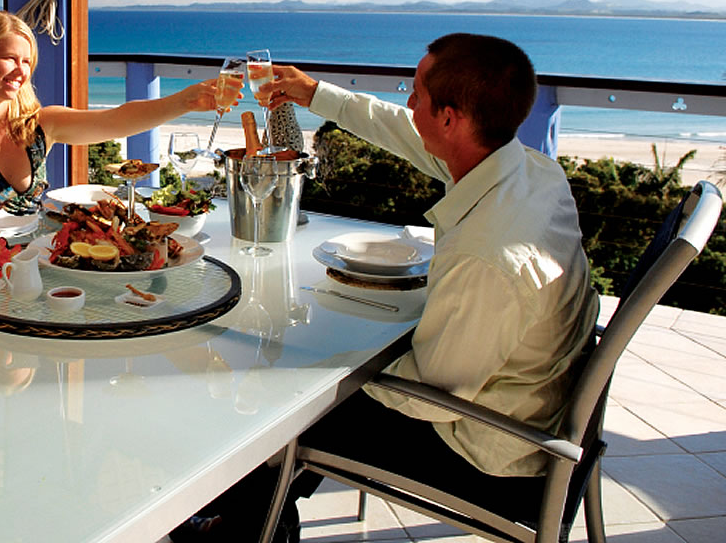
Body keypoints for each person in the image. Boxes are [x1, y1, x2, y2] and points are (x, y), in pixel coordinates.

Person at [173, 33, 599, 541]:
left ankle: (243, 529)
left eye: (417, 94)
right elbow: (398, 129)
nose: (409, 103)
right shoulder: (528, 170)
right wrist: (316, 94)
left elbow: (426, 397)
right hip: (526, 400)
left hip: (493, 450)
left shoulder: (487, 258)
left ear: (450, 119)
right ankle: (263, 514)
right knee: (294, 379)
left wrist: (320, 353)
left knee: (275, 399)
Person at [0, 10, 229, 240]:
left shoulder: (38, 125)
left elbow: (115, 121)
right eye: (9, 58)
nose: (21, 71)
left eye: (26, 61)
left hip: (43, 265)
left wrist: (183, 102)